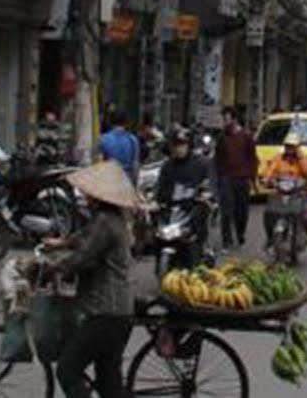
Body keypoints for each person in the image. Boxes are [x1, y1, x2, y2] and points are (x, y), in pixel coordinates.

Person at [49, 160, 140, 398]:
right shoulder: (112, 218)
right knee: (109, 383)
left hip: (105, 312)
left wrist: (56, 269)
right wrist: (63, 242)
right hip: (120, 312)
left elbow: (83, 256)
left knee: (67, 370)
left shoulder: (105, 221)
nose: (85, 196)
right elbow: (86, 237)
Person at [152, 126, 213, 251]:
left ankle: (201, 251)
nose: (179, 148)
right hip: (172, 211)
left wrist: (205, 195)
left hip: (193, 209)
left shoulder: (202, 164)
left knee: (199, 223)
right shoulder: (167, 166)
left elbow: (210, 183)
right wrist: (154, 201)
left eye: (182, 145)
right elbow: (160, 187)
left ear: (188, 145)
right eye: (176, 145)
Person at [259, 132, 307, 248]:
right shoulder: (278, 158)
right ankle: (270, 238)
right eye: (288, 146)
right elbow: (271, 169)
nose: (289, 149)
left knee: (304, 215)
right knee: (269, 213)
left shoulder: (303, 158)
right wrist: (266, 179)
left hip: (297, 192)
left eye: (292, 146)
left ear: (297, 147)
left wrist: (300, 157)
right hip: (280, 191)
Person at [215, 108, 257, 250]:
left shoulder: (246, 136)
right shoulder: (222, 138)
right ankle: (226, 240)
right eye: (223, 120)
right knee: (226, 210)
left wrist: (252, 177)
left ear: (234, 119)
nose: (225, 122)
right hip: (227, 177)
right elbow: (218, 159)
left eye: (227, 119)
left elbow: (252, 158)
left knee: (241, 211)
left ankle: (240, 234)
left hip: (242, 178)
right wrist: (218, 178)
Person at [98, 110, 140, 184]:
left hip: (109, 180)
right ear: (125, 122)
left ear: (110, 121)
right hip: (127, 181)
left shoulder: (103, 139)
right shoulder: (132, 140)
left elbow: (99, 164)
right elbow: (135, 165)